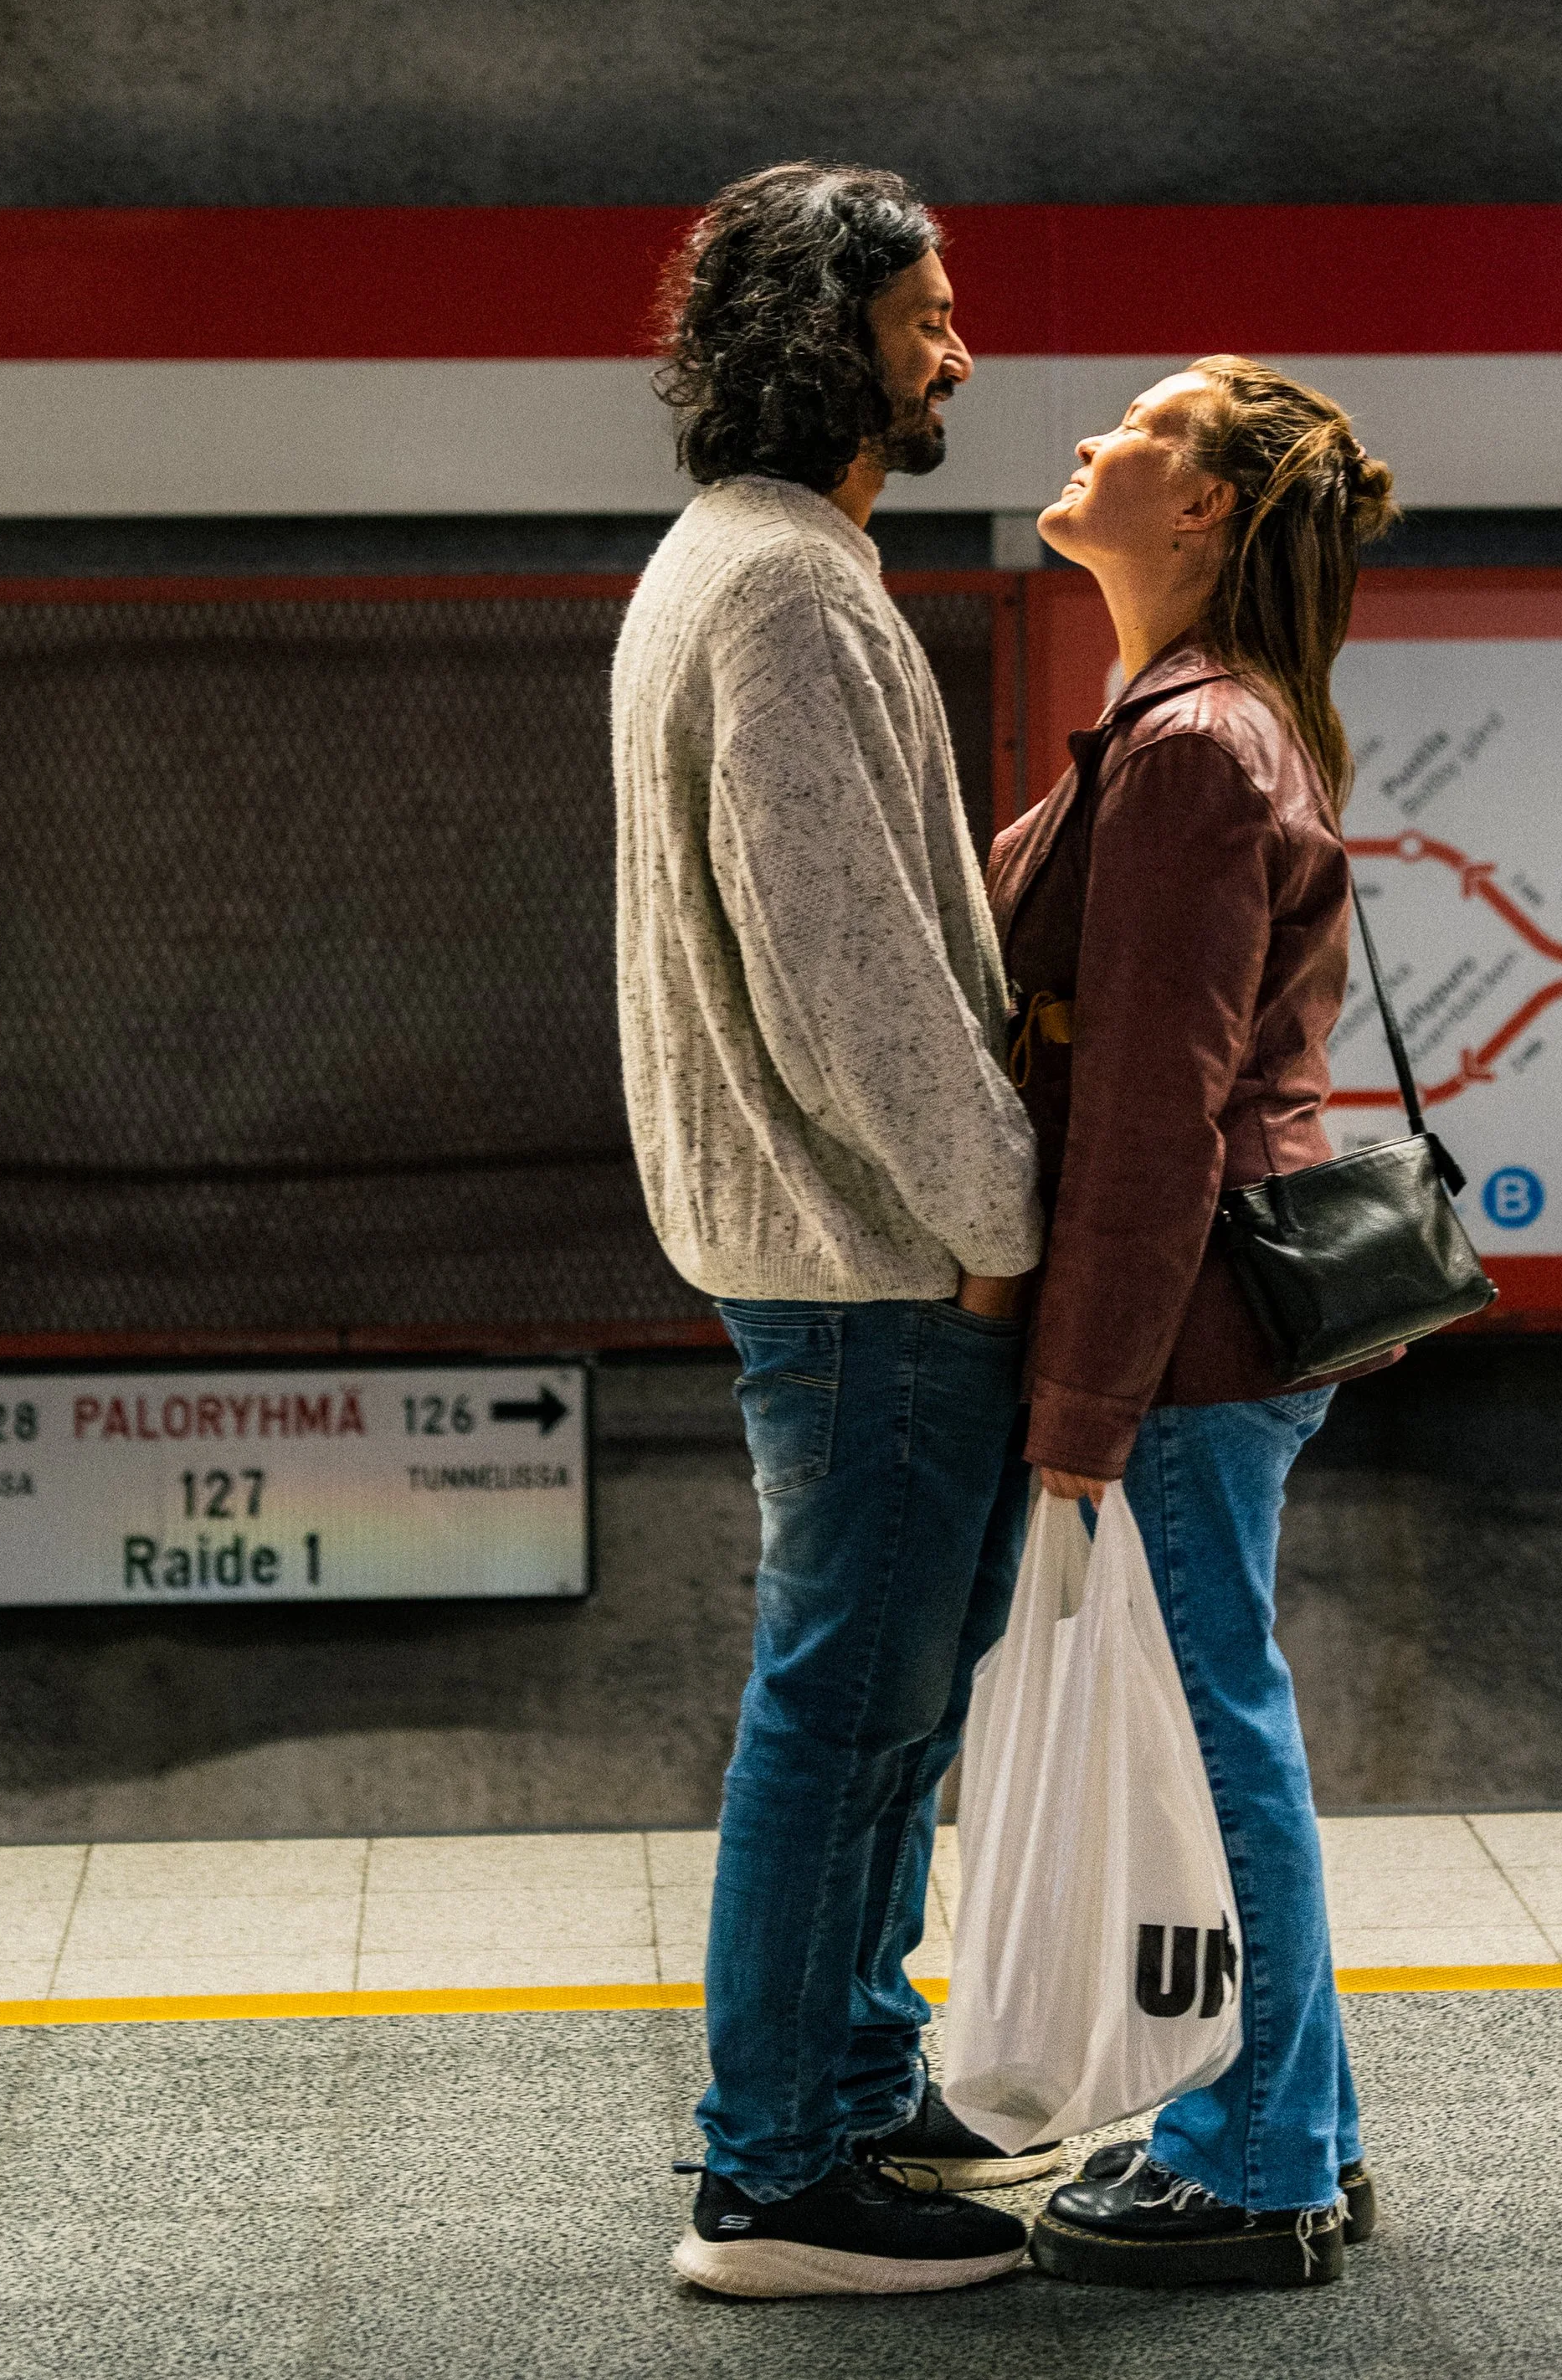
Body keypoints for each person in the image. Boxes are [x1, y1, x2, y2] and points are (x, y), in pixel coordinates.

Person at [614, 162, 1059, 2301]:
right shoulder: (791, 590)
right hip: (868, 1255)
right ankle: (775, 2171)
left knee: (877, 1698)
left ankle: (854, 2083)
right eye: (925, 319)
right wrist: (993, 1221)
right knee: (846, 1708)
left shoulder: (737, 563)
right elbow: (848, 966)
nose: (957, 352)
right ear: (830, 335)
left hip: (824, 1237)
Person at [987, 355, 1405, 2292]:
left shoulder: (1188, 747)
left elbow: (1152, 1101)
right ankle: (1291, 2128)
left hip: (1180, 1336)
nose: (1089, 438)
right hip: (1222, 1322)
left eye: (1140, 429)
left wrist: (1077, 1393)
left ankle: (1252, 2160)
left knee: (1215, 1729)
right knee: (1220, 1708)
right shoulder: (1206, 724)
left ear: (1208, 509)